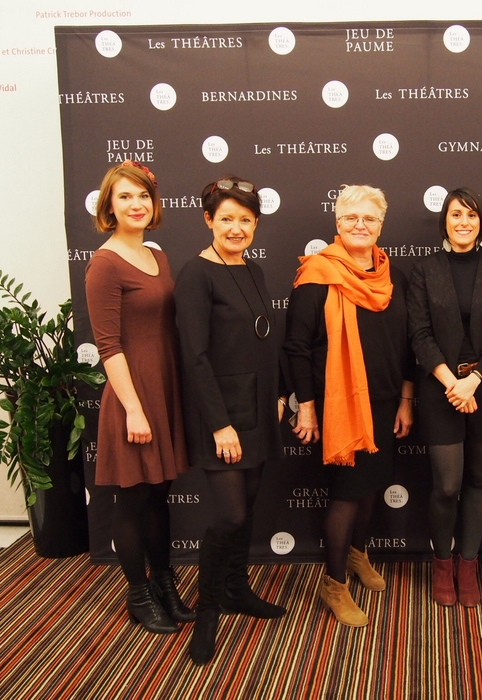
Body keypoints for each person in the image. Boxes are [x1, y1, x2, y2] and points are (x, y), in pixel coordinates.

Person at [283, 184, 414, 627]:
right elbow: (296, 348)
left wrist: (404, 399)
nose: (361, 225)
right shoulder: (317, 274)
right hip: (338, 406)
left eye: (370, 219)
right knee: (344, 497)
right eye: (352, 218)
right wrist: (306, 407)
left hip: (381, 401)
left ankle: (358, 557)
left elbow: (403, 345)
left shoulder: (388, 274)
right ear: (337, 223)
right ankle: (334, 583)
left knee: (371, 489)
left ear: (381, 225)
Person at [174, 176, 288, 665]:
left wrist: (283, 394)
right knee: (230, 515)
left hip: (260, 409)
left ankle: (238, 588)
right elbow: (194, 356)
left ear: (256, 223)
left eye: (245, 219)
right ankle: (207, 616)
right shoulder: (196, 275)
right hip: (221, 416)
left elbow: (268, 341)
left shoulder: (254, 270)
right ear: (208, 220)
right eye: (227, 219)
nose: (236, 227)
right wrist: (220, 424)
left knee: (252, 504)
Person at [84, 161, 191, 634]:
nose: (136, 204)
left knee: (158, 495)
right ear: (109, 204)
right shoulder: (104, 263)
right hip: (133, 396)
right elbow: (109, 345)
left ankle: (164, 581)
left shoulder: (156, 255)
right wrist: (133, 409)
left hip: (165, 387)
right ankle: (139, 593)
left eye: (143, 196)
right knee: (131, 500)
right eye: (125, 196)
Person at [407, 187, 482, 607]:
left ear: (481, 221)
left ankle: (468, 565)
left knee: (477, 479)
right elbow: (418, 333)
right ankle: (441, 563)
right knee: (447, 484)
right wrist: (452, 382)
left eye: (471, 215)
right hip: (440, 390)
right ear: (444, 221)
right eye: (456, 215)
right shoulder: (424, 269)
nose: (463, 222)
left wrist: (474, 381)